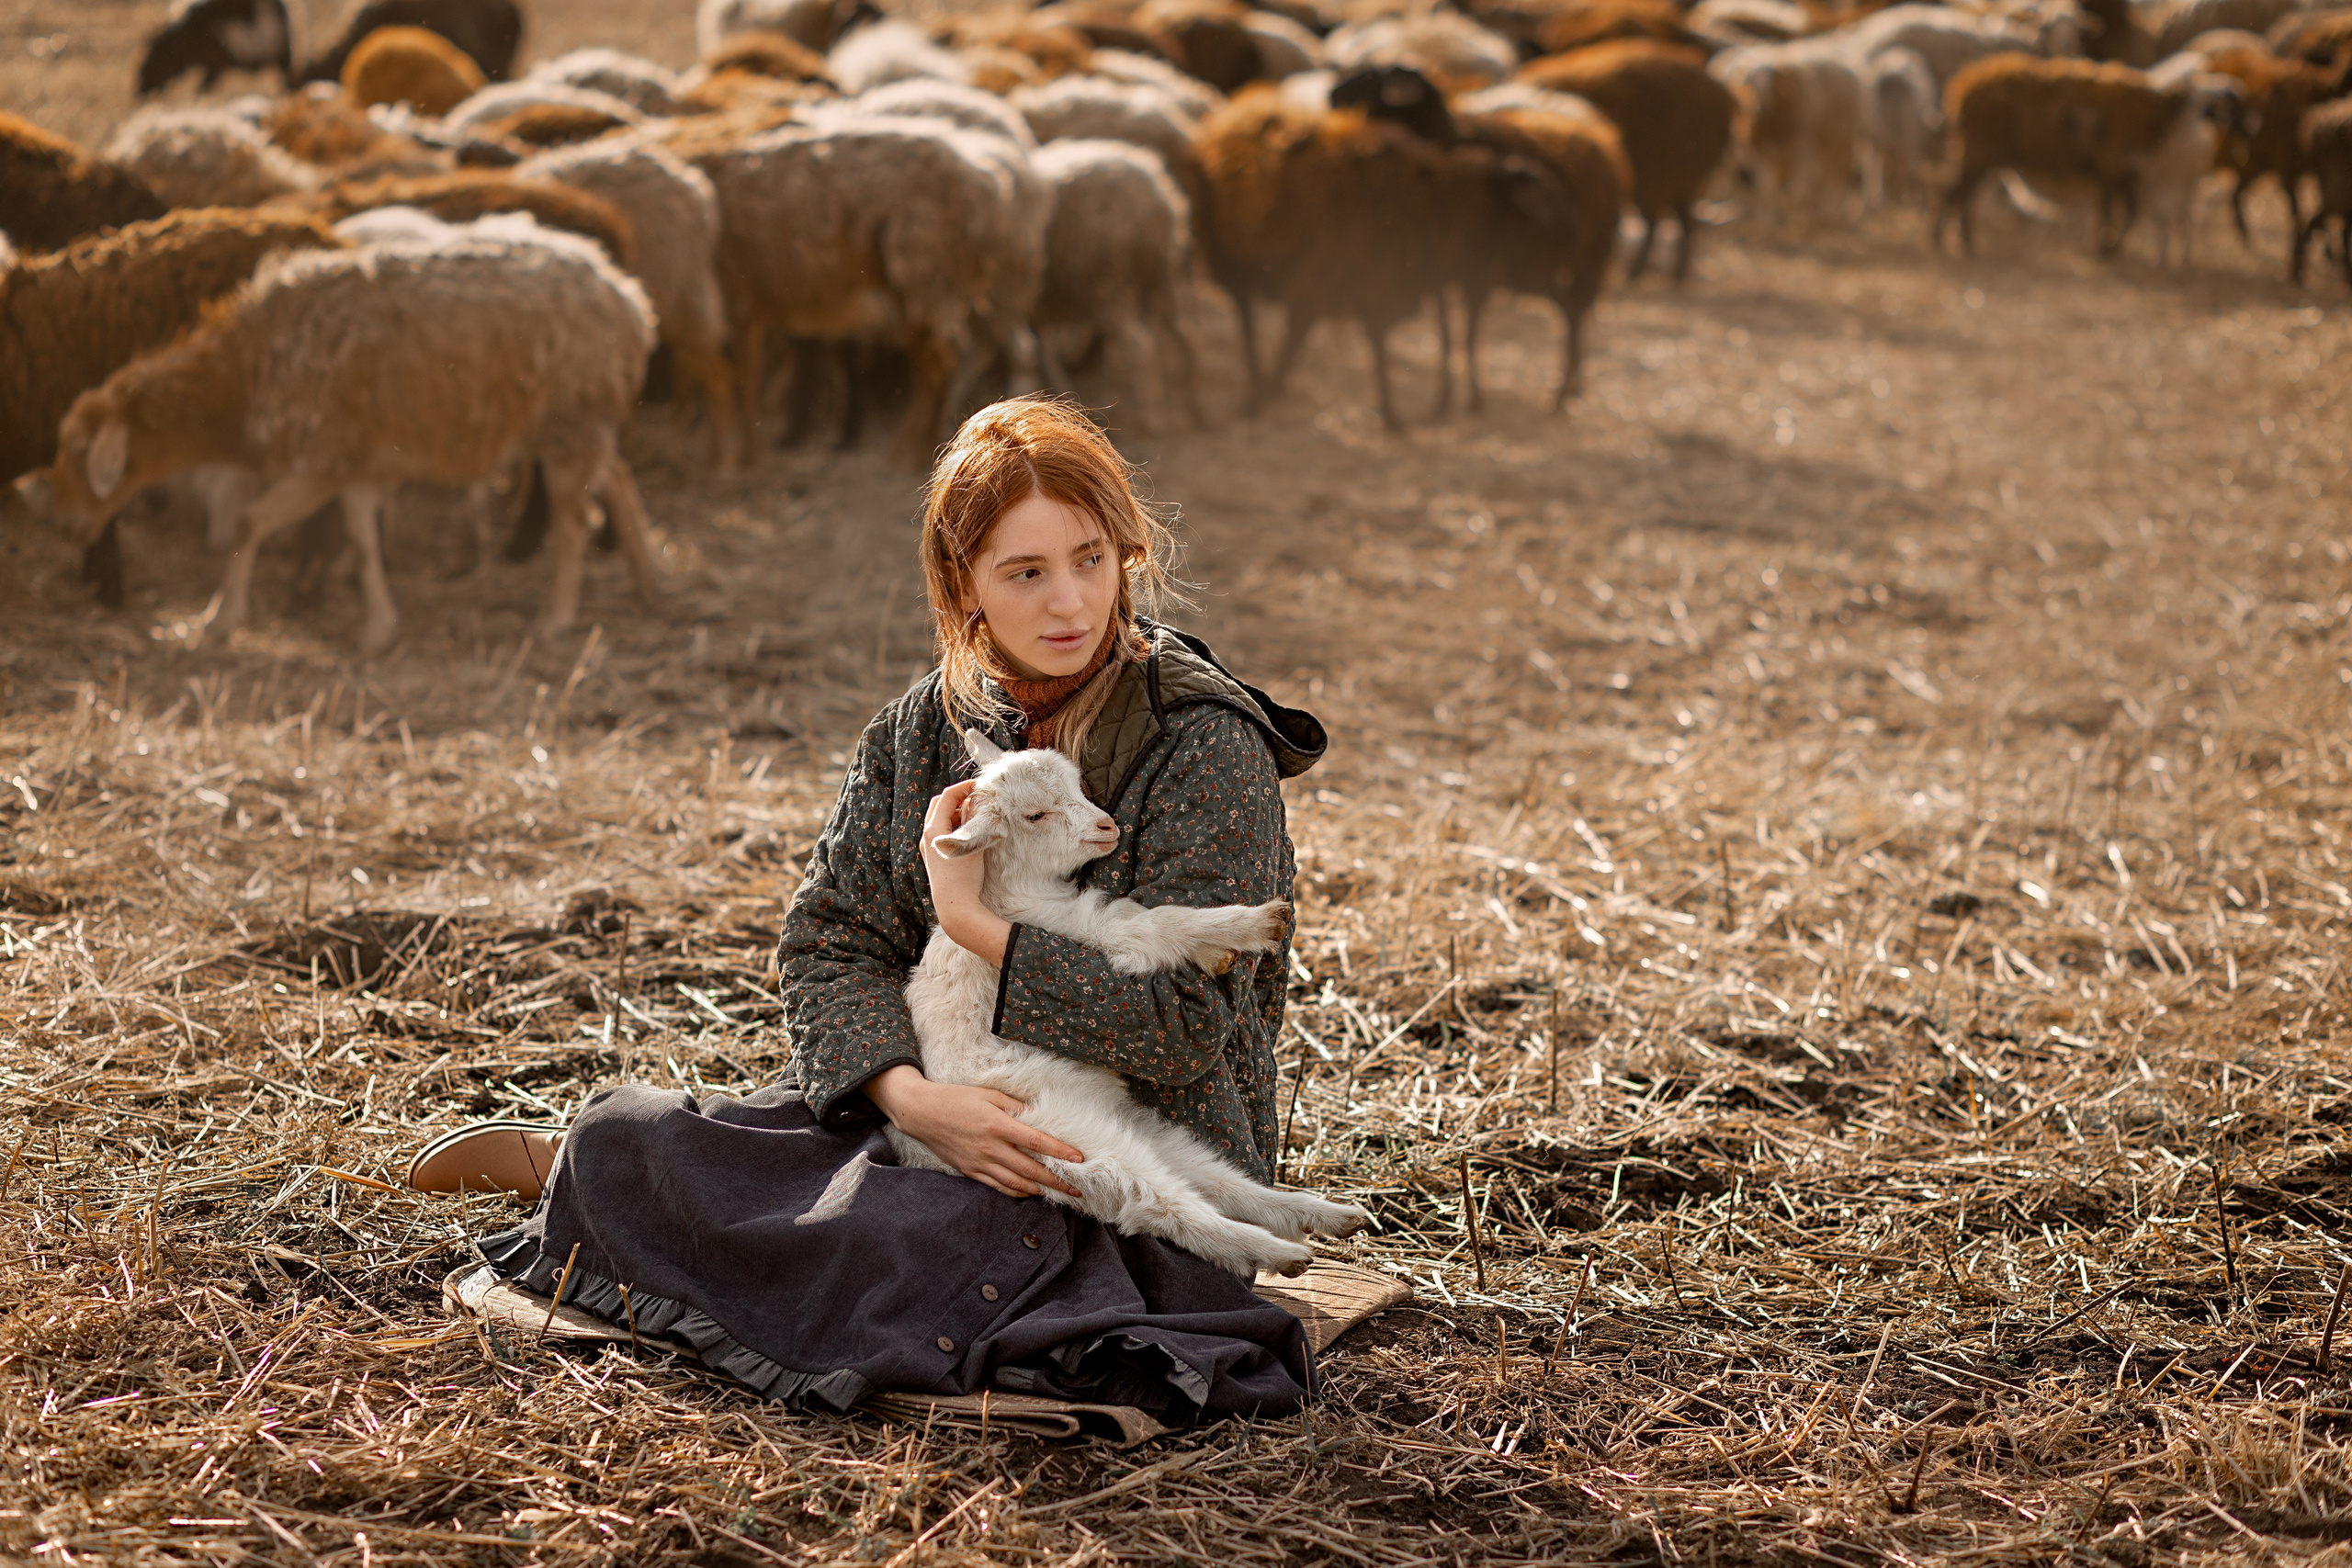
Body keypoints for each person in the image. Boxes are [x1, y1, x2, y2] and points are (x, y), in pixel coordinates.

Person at [410, 397, 1329, 1421]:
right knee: (621, 1138)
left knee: (910, 1251)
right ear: (964, 585)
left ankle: (693, 1210)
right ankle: (617, 1172)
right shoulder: (917, 731)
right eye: (1024, 572)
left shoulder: (1206, 747)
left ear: (1126, 553)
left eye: (1090, 559)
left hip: (1121, 1165)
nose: (1068, 601)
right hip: (928, 1120)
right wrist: (908, 1098)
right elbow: (829, 941)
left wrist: (974, 921)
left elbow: (1186, 1029)